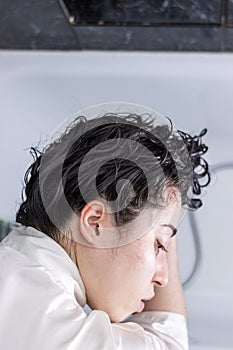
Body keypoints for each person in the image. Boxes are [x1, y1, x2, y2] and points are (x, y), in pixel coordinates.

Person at [0, 109, 210, 350]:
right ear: (95, 222)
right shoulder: (41, 318)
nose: (163, 278)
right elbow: (168, 344)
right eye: (159, 245)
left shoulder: (18, 275)